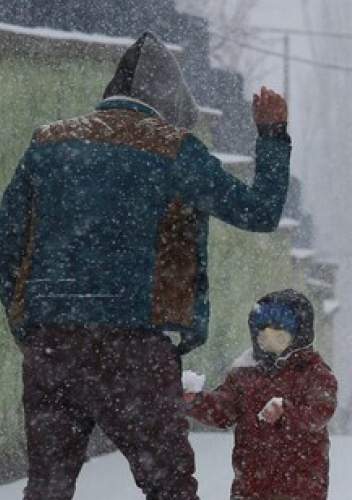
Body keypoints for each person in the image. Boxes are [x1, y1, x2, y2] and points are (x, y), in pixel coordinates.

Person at [0, 31, 291, 500]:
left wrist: (29, 328)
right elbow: (259, 212)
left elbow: (8, 243)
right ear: (166, 103)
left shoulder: (48, 144)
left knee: (48, 487)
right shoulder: (174, 149)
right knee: (170, 486)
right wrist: (272, 136)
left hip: (53, 349)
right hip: (134, 352)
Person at [184, 289, 338, 500]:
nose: (266, 334)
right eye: (261, 328)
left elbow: (320, 411)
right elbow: (224, 409)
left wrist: (287, 411)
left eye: (277, 329)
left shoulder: (314, 372)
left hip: (301, 487)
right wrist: (196, 401)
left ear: (298, 334)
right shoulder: (245, 372)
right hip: (251, 487)